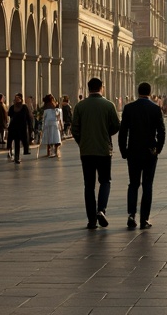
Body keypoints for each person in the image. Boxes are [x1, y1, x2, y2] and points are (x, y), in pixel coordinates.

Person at [71, 77, 120, 230]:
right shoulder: (108, 105)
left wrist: (82, 141)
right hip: (104, 150)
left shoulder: (80, 106)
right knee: (105, 181)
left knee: (89, 185)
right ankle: (101, 210)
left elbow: (74, 129)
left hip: (86, 151)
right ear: (102, 87)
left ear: (88, 88)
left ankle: (91, 220)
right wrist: (106, 134)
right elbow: (116, 126)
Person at [118, 81, 166, 230]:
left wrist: (123, 150)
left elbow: (123, 132)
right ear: (150, 92)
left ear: (138, 92)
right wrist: (158, 148)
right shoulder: (155, 109)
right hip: (149, 152)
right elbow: (162, 131)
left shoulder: (129, 108)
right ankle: (144, 219)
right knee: (147, 185)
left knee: (133, 184)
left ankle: (131, 214)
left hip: (133, 152)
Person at [6, 93, 33, 163]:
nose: (17, 100)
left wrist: (30, 127)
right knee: (16, 143)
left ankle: (23, 152)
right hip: (14, 127)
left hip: (22, 127)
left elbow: (28, 118)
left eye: (18, 99)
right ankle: (16, 158)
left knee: (24, 141)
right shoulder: (12, 107)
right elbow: (9, 116)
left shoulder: (24, 107)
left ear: (21, 99)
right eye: (16, 99)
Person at [40, 93, 63, 157]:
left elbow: (44, 118)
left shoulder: (45, 108)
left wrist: (42, 127)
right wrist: (61, 126)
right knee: (56, 138)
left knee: (48, 138)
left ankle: (49, 152)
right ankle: (55, 152)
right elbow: (59, 117)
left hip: (48, 124)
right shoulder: (56, 107)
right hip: (55, 124)